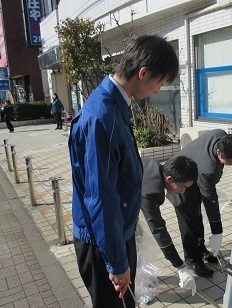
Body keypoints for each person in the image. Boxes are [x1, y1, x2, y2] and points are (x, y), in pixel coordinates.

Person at [68, 35, 179, 308]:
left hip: (115, 234)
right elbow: (101, 197)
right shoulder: (101, 117)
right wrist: (117, 263)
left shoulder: (115, 105)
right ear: (143, 73)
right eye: (159, 82)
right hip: (101, 242)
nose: (157, 90)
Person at [166, 130, 232, 277]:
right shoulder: (207, 168)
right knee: (189, 222)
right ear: (218, 152)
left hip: (193, 177)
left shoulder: (222, 136)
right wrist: (217, 231)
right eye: (230, 162)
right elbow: (210, 199)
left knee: (197, 218)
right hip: (178, 181)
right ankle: (192, 259)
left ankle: (201, 249)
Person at [141, 156, 198, 296]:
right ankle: (137, 290)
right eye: (183, 187)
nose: (184, 191)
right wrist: (180, 266)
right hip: (108, 207)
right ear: (169, 179)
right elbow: (158, 229)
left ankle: (138, 279)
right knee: (131, 244)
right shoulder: (150, 192)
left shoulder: (155, 165)